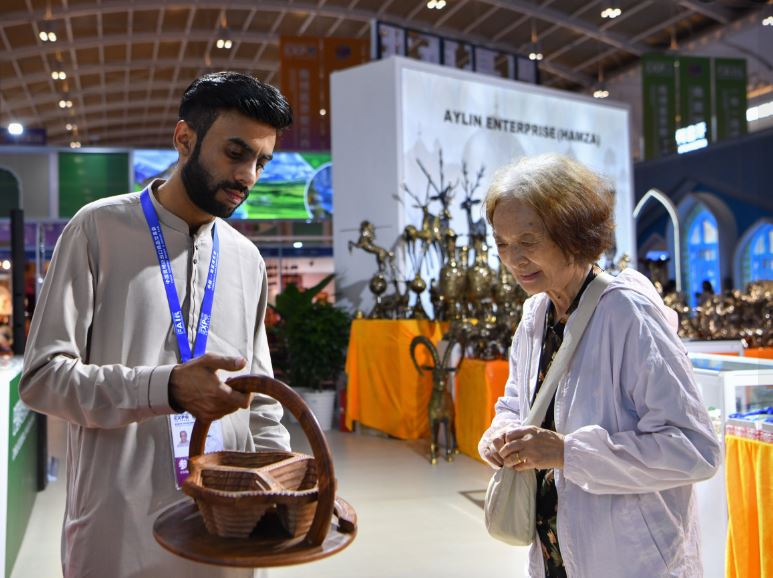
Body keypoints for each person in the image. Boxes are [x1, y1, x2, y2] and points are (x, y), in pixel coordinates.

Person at [20, 72, 293, 578]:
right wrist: (166, 387)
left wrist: (282, 485)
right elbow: (42, 379)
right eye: (235, 153)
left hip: (226, 531)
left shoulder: (246, 259)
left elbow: (262, 400)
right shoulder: (96, 230)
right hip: (117, 531)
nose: (248, 176)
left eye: (261, 161)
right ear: (184, 139)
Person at [478, 154, 720, 578]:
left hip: (631, 559)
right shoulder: (536, 315)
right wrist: (501, 436)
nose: (513, 259)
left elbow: (694, 449)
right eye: (502, 243)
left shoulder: (628, 315)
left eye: (528, 241)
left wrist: (567, 452)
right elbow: (516, 403)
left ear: (572, 233)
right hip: (558, 553)